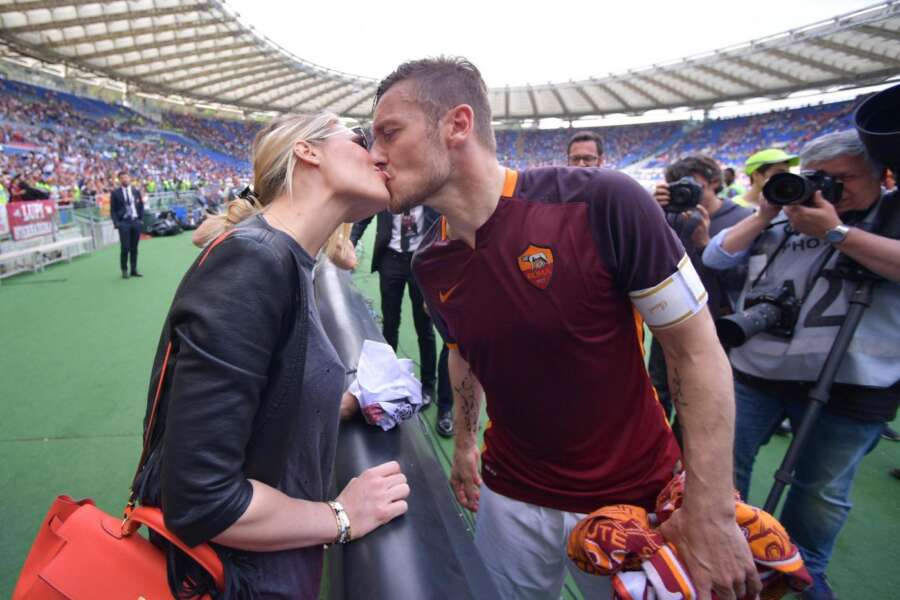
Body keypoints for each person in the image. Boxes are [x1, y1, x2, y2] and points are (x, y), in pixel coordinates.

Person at [371, 56, 759, 600]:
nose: (375, 155)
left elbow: (695, 352)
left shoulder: (601, 202)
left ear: (457, 124)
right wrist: (464, 446)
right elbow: (464, 355)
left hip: (632, 496)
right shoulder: (430, 263)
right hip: (507, 494)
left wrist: (712, 510)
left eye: (389, 133)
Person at [134, 113, 410, 599]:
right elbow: (204, 500)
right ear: (308, 151)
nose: (380, 156)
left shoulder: (287, 259)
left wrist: (341, 403)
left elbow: (264, 395)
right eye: (361, 139)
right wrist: (341, 515)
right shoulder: (255, 260)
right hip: (234, 581)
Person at [703, 129, 900, 600]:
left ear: (880, 177)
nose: (828, 189)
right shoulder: (782, 218)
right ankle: (734, 551)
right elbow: (716, 254)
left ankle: (804, 567)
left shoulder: (888, 216)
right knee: (726, 469)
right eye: (818, 178)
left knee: (821, 491)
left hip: (852, 382)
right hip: (757, 371)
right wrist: (769, 211)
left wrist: (835, 231)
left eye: (844, 179)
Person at [650, 156, 753, 423]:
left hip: (716, 326)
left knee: (702, 400)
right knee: (658, 391)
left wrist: (707, 244)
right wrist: (652, 208)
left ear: (715, 183)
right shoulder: (668, 213)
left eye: (693, 185)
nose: (686, 192)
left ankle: (686, 454)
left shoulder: (742, 219)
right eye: (677, 185)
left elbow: (744, 281)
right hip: (669, 319)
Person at [349, 207, 439, 406]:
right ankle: (387, 377)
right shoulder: (391, 189)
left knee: (425, 327)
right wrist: (351, 242)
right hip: (391, 259)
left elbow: (446, 223)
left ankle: (428, 385)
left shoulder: (429, 191)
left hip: (421, 262)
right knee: (390, 324)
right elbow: (364, 216)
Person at [733, 148, 799, 209]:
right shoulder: (734, 207)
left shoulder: (788, 206)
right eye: (780, 173)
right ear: (756, 175)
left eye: (788, 173)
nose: (786, 178)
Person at [110, 170, 144, 279]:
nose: (125, 179)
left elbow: (141, 206)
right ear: (119, 180)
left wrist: (140, 219)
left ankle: (134, 269)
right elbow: (113, 210)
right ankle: (124, 270)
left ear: (130, 178)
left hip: (135, 221)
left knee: (134, 247)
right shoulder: (115, 193)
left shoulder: (135, 191)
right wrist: (116, 223)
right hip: (123, 222)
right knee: (125, 247)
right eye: (122, 178)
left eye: (126, 177)